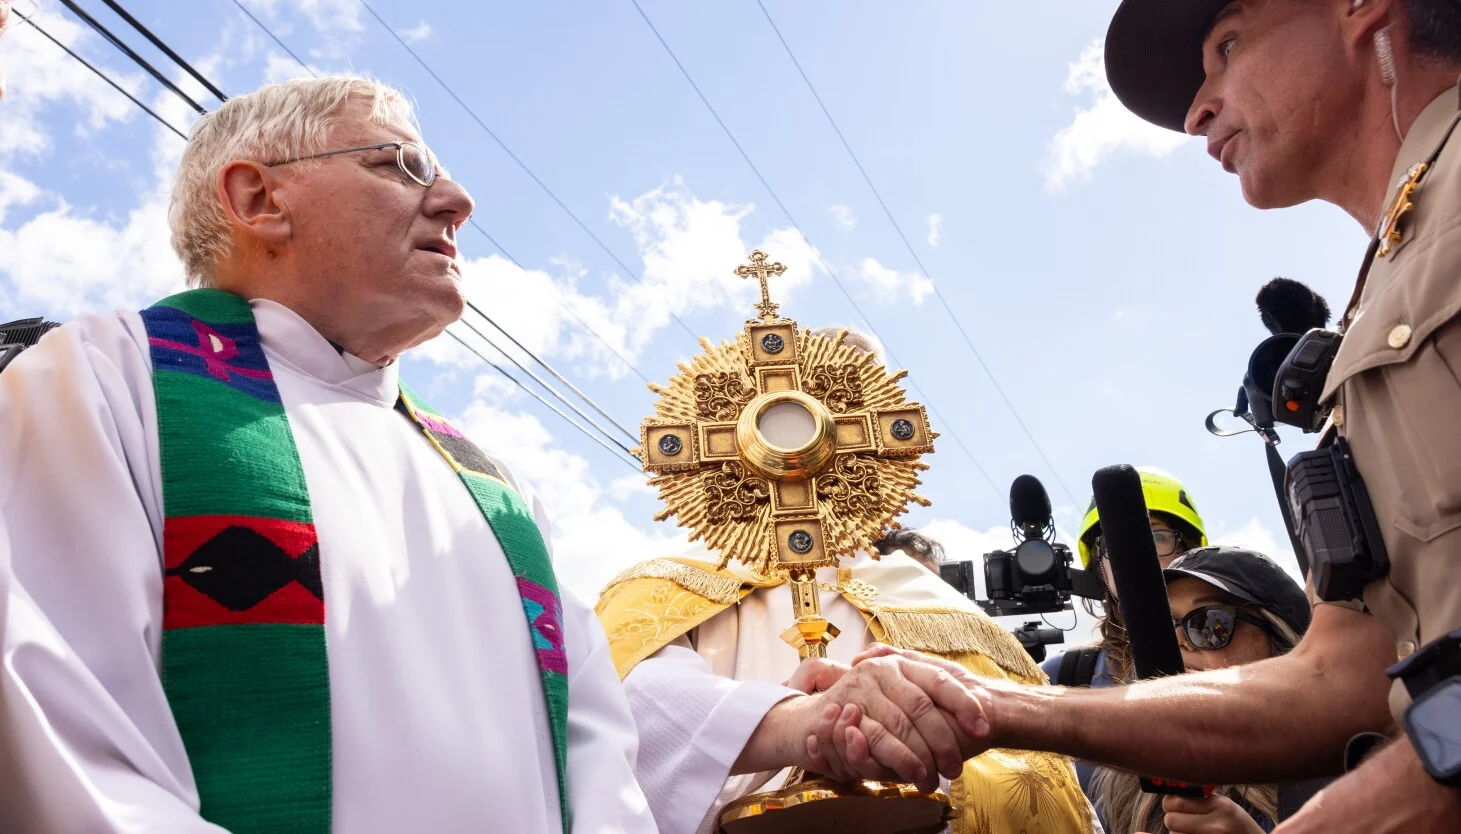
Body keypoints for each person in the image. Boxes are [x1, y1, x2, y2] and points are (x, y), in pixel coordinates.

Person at [817, 2, 1461, 831]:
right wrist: (997, 707)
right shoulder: (1387, 284)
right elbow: (1342, 676)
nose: (1197, 110)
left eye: (1227, 47)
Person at [0, 76, 656, 833]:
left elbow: (599, 759)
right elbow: (56, 729)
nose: (455, 200)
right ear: (258, 201)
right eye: (399, 166)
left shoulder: (492, 484)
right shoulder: (106, 379)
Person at [597, 329, 1097, 834]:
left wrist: (905, 756)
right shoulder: (666, 589)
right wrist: (792, 725)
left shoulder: (935, 602)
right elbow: (615, 719)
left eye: (854, 403)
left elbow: (1030, 771)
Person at [1090, 547, 1313, 834]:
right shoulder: (1122, 786)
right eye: (1166, 626)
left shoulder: (1337, 771)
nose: (1180, 641)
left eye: (1210, 623)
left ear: (1279, 643)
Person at [1040, 468, 1207, 796]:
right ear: (1098, 567)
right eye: (1115, 542)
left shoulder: (1237, 653)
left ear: (1188, 550)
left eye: (1157, 537)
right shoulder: (1065, 676)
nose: (1137, 552)